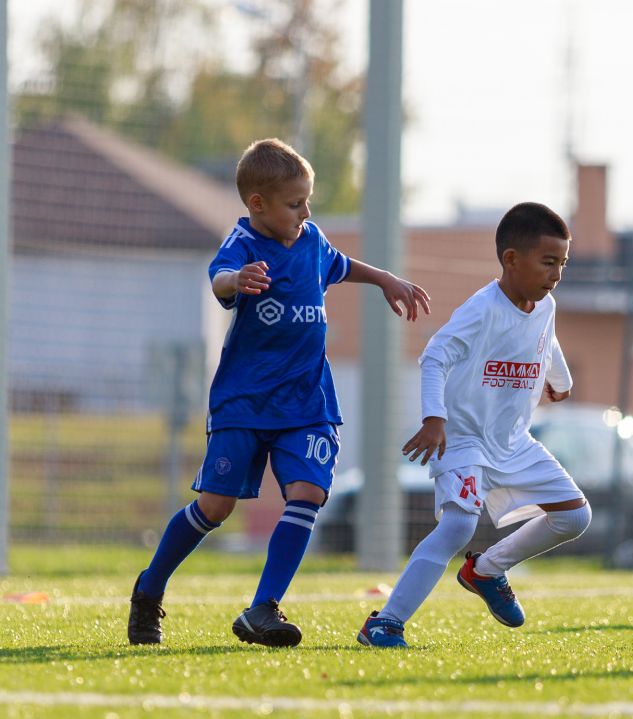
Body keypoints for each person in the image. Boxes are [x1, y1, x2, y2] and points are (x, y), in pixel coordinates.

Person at [127, 138, 431, 647]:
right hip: (244, 403)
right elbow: (220, 278)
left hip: (307, 403)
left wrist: (385, 280)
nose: (305, 211)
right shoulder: (243, 244)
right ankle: (149, 588)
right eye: (295, 203)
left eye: (307, 200)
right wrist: (235, 281)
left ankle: (263, 609)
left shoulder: (310, 239)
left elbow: (340, 263)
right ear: (257, 205)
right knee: (216, 508)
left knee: (307, 494)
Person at [357, 202, 591, 648]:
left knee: (575, 515)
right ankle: (385, 623)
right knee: (458, 526)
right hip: (463, 439)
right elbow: (435, 356)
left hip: (512, 442)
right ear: (511, 260)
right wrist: (434, 418)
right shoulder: (482, 309)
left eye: (562, 263)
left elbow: (547, 339)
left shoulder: (546, 305)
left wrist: (560, 381)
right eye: (548, 262)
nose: (556, 273)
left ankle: (485, 570)